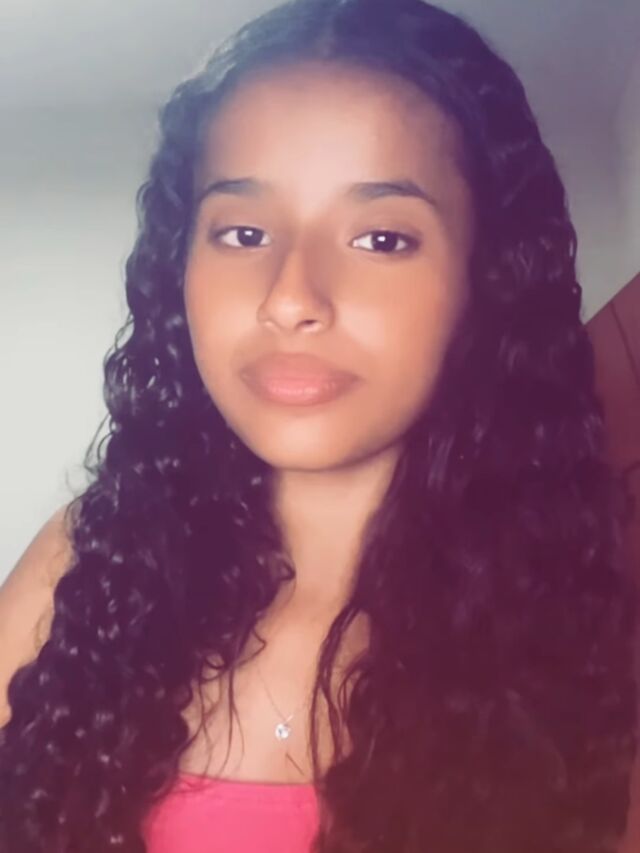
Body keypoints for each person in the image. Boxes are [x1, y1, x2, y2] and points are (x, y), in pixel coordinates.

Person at [0, 0, 637, 850]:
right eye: (243, 231)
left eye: (380, 239)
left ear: (486, 279)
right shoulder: (83, 566)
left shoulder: (589, 640)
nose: (291, 296)